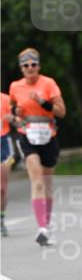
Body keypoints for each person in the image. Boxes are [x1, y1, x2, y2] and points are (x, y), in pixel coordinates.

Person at [9, 49, 66, 246]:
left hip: (49, 136)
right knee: (38, 181)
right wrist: (16, 115)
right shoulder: (15, 87)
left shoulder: (48, 83)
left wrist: (42, 102)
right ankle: (41, 227)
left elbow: (62, 112)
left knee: (47, 183)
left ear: (38, 66)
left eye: (33, 64)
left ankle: (46, 225)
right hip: (27, 136)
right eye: (26, 65)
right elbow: (14, 114)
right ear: (21, 69)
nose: (30, 68)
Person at [1, 91, 14, 237]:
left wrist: (13, 119)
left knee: (2, 189)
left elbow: (17, 120)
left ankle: (1, 219)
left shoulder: (5, 99)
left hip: (3, 143)